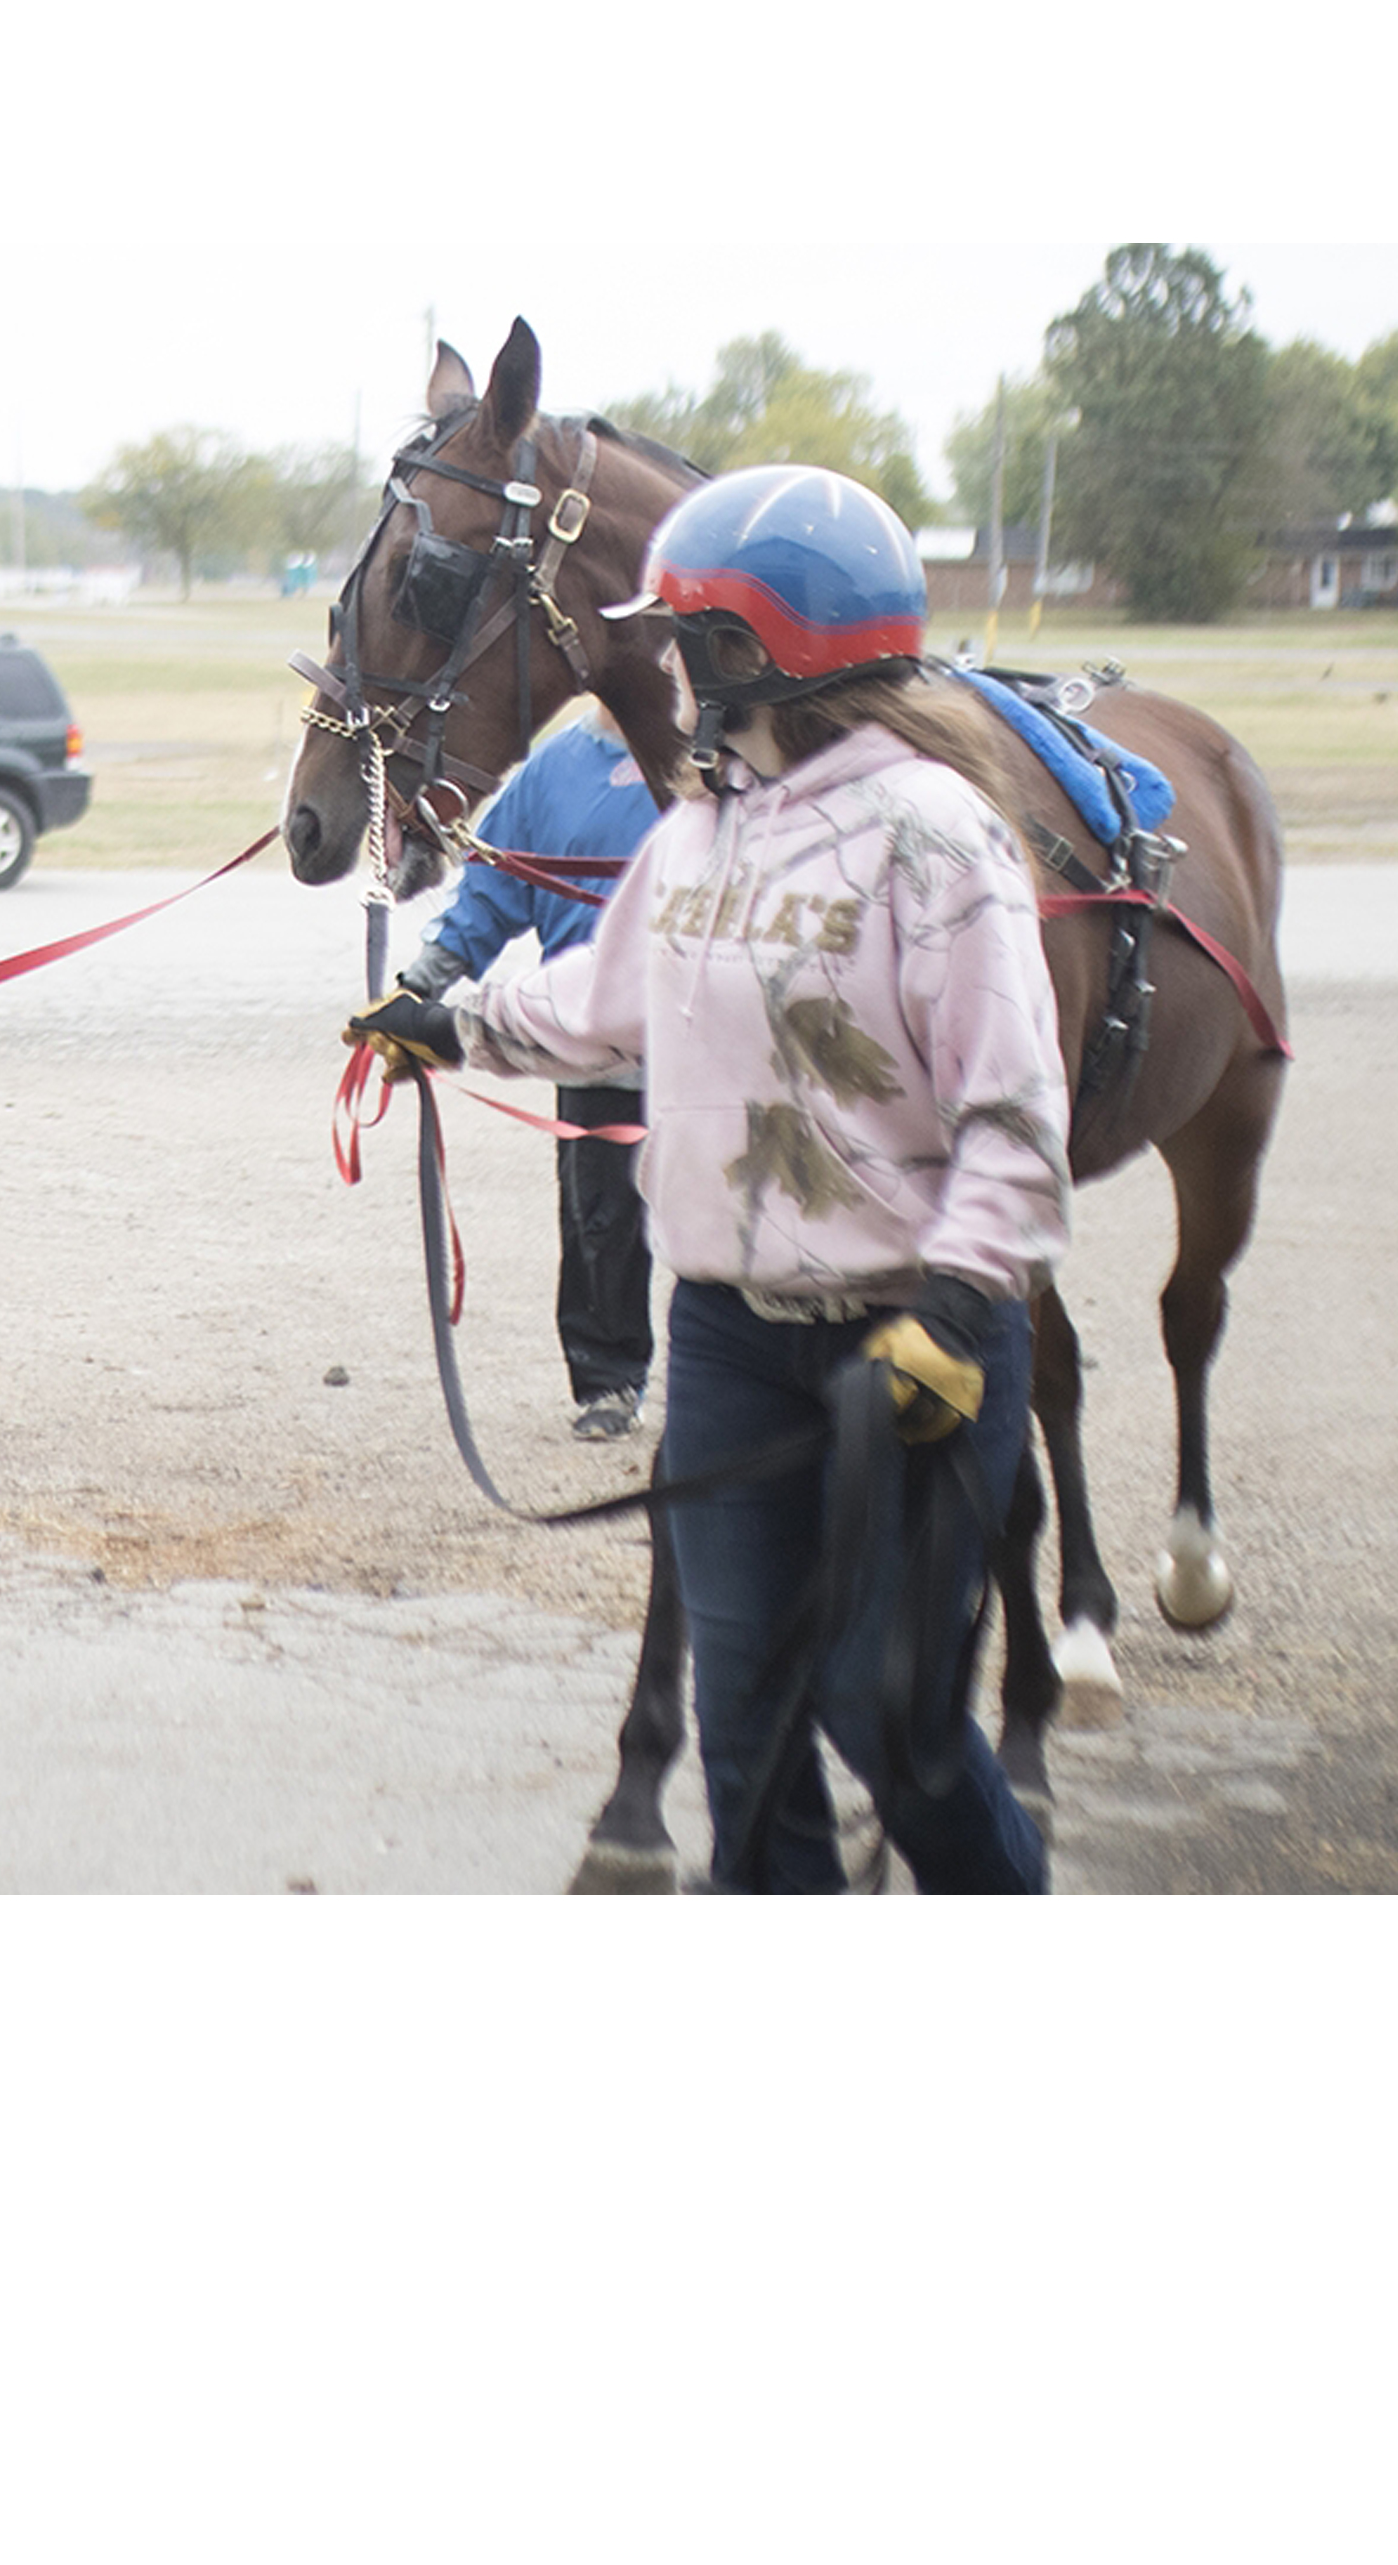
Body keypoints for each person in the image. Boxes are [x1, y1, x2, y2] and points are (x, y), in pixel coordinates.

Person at [345, 467, 1068, 1893]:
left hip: (910, 1341)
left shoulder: (935, 835)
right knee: (744, 1729)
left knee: (893, 1722)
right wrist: (452, 1024)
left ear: (759, 650)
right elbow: (600, 1006)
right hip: (731, 1336)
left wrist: (964, 1309)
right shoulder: (693, 832)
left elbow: (1016, 1124)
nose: (666, 665)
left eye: (686, 637)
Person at [389, 701, 666, 1440]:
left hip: (703, 1046)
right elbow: (490, 892)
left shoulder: (706, 768)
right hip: (589, 1045)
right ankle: (609, 1380)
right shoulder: (552, 768)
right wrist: (416, 989)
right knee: (599, 1222)